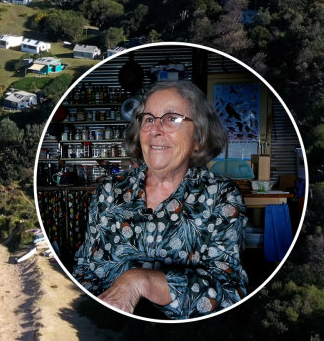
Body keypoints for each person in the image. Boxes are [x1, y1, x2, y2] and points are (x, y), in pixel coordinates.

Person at [72, 80, 248, 319]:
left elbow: (229, 292)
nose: (155, 130)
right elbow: (85, 271)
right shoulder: (109, 191)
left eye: (171, 118)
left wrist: (142, 281)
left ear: (198, 138)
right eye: (149, 119)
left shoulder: (221, 197)